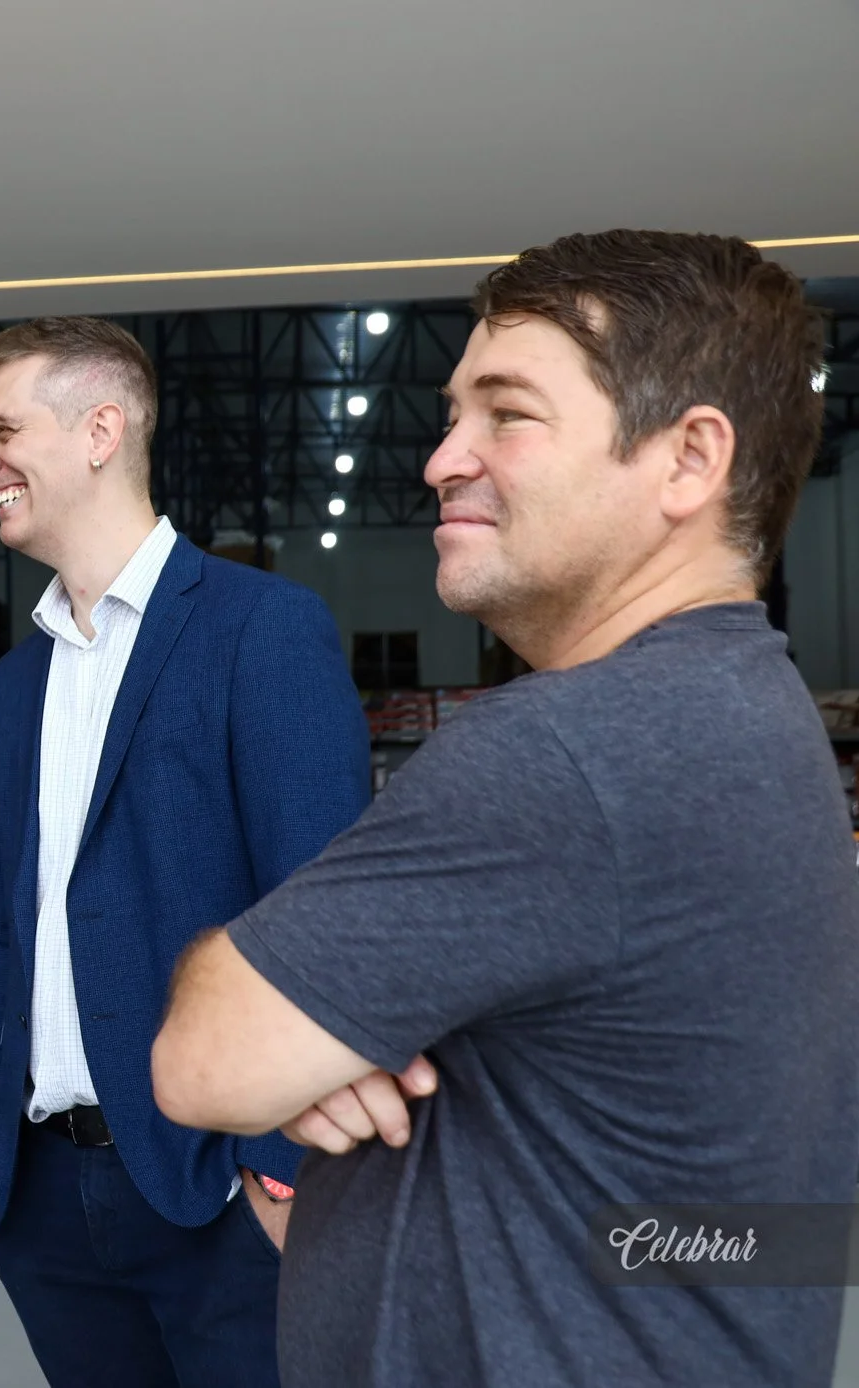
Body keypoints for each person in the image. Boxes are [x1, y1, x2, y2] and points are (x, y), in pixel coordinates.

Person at [153, 231, 859, 1387]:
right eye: (451, 416)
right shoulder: (746, 704)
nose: (441, 458)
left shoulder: (568, 749)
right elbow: (747, 1210)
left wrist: (301, 1023)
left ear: (687, 458)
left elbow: (204, 1060)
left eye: (506, 414)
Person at [0, 317, 369, 1386]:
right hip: (41, 1197)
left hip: (217, 1194)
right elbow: (8, 926)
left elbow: (324, 917)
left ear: (99, 431)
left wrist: (280, 1169)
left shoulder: (259, 628)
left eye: (2, 430)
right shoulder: (16, 682)